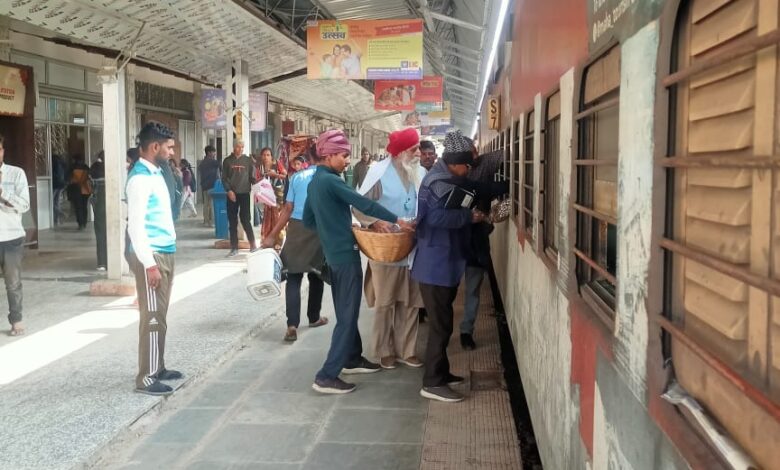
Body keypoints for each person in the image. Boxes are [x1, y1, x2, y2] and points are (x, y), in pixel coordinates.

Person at [303, 129, 414, 394]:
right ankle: (327, 376)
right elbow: (363, 203)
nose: (347, 161)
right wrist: (397, 220)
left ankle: (352, 358)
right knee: (347, 316)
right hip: (345, 256)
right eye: (343, 156)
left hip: (333, 255)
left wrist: (333, 229)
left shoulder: (315, 181)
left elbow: (308, 220)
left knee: (346, 310)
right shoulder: (332, 181)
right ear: (328, 156)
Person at [412, 130, 486, 403]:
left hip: (443, 262)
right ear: (456, 163)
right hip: (436, 265)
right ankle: (432, 382)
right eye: (467, 165)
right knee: (440, 327)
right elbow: (435, 218)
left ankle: (441, 373)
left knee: (443, 323)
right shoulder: (440, 181)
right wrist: (469, 217)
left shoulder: (445, 177)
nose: (469, 170)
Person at [355, 128, 426, 369]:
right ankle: (384, 350)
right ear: (399, 152)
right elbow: (359, 206)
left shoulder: (420, 173)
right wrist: (375, 221)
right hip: (385, 248)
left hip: (413, 249)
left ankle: (407, 350)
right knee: (385, 303)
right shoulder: (378, 173)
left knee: (411, 302)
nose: (419, 153)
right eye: (413, 149)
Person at [125, 121, 182, 396]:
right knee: (151, 317)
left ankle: (158, 367)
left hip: (166, 251)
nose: (172, 152)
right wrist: (149, 264)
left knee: (160, 315)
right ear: (155, 147)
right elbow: (135, 227)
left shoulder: (157, 172)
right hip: (153, 255)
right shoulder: (139, 179)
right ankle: (146, 378)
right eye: (168, 147)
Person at [262, 150, 328, 342]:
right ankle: (314, 317)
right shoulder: (328, 177)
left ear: (309, 159)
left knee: (293, 276)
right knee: (316, 275)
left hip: (297, 228)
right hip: (318, 228)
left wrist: (272, 235)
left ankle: (292, 325)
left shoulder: (297, 177)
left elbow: (288, 209)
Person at [458, 142, 509, 350]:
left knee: (473, 289)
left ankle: (466, 331)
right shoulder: (450, 177)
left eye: (476, 151)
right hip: (454, 242)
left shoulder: (485, 163)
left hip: (477, 241)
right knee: (448, 291)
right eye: (471, 153)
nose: (475, 156)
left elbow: (510, 151)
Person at [0, 134, 30, 336]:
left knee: (12, 283)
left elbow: (24, 205)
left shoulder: (16, 173)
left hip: (11, 238)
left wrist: (2, 192)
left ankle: (16, 320)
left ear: (3, 151)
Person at [221, 141, 257, 256]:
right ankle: (234, 248)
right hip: (232, 194)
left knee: (246, 219)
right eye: (238, 147)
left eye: (242, 147)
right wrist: (228, 190)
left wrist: (258, 186)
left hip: (245, 193)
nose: (240, 149)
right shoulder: (227, 161)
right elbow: (224, 178)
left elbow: (252, 177)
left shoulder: (248, 161)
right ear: (233, 147)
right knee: (232, 221)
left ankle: (253, 245)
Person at [417, 140, 438, 323]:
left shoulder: (439, 175)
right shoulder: (413, 174)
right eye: (424, 154)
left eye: (430, 153)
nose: (427, 157)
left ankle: (427, 308)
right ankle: (420, 309)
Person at [259, 147, 286, 249]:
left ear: (271, 156)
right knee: (267, 217)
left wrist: (275, 175)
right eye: (264, 155)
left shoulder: (277, 163)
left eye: (268, 155)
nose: (266, 157)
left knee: (278, 217)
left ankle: (278, 242)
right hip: (266, 195)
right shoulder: (260, 167)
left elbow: (285, 176)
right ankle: (266, 240)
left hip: (278, 195)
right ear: (261, 156)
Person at [90, 151, 107, 271]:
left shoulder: (94, 168)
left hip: (98, 203)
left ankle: (102, 262)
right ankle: (112, 260)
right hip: (111, 203)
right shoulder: (113, 168)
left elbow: (90, 183)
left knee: (100, 233)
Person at [67, 155, 91, 229]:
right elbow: (89, 177)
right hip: (85, 189)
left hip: (76, 189)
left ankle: (80, 224)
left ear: (75, 160)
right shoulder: (86, 167)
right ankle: (84, 222)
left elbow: (68, 178)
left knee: (78, 207)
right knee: (84, 206)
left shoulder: (72, 167)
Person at [198, 145, 220, 227]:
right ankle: (212, 222)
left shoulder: (202, 163)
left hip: (204, 186)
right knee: (212, 204)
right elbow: (220, 165)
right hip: (212, 185)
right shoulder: (213, 162)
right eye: (213, 152)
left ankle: (206, 221)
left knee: (206, 204)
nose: (214, 153)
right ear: (209, 153)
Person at [52, 154, 67, 226]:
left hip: (55, 185)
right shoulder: (62, 163)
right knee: (57, 202)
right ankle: (56, 220)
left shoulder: (54, 163)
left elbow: (54, 174)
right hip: (61, 185)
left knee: (51, 203)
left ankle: (61, 213)